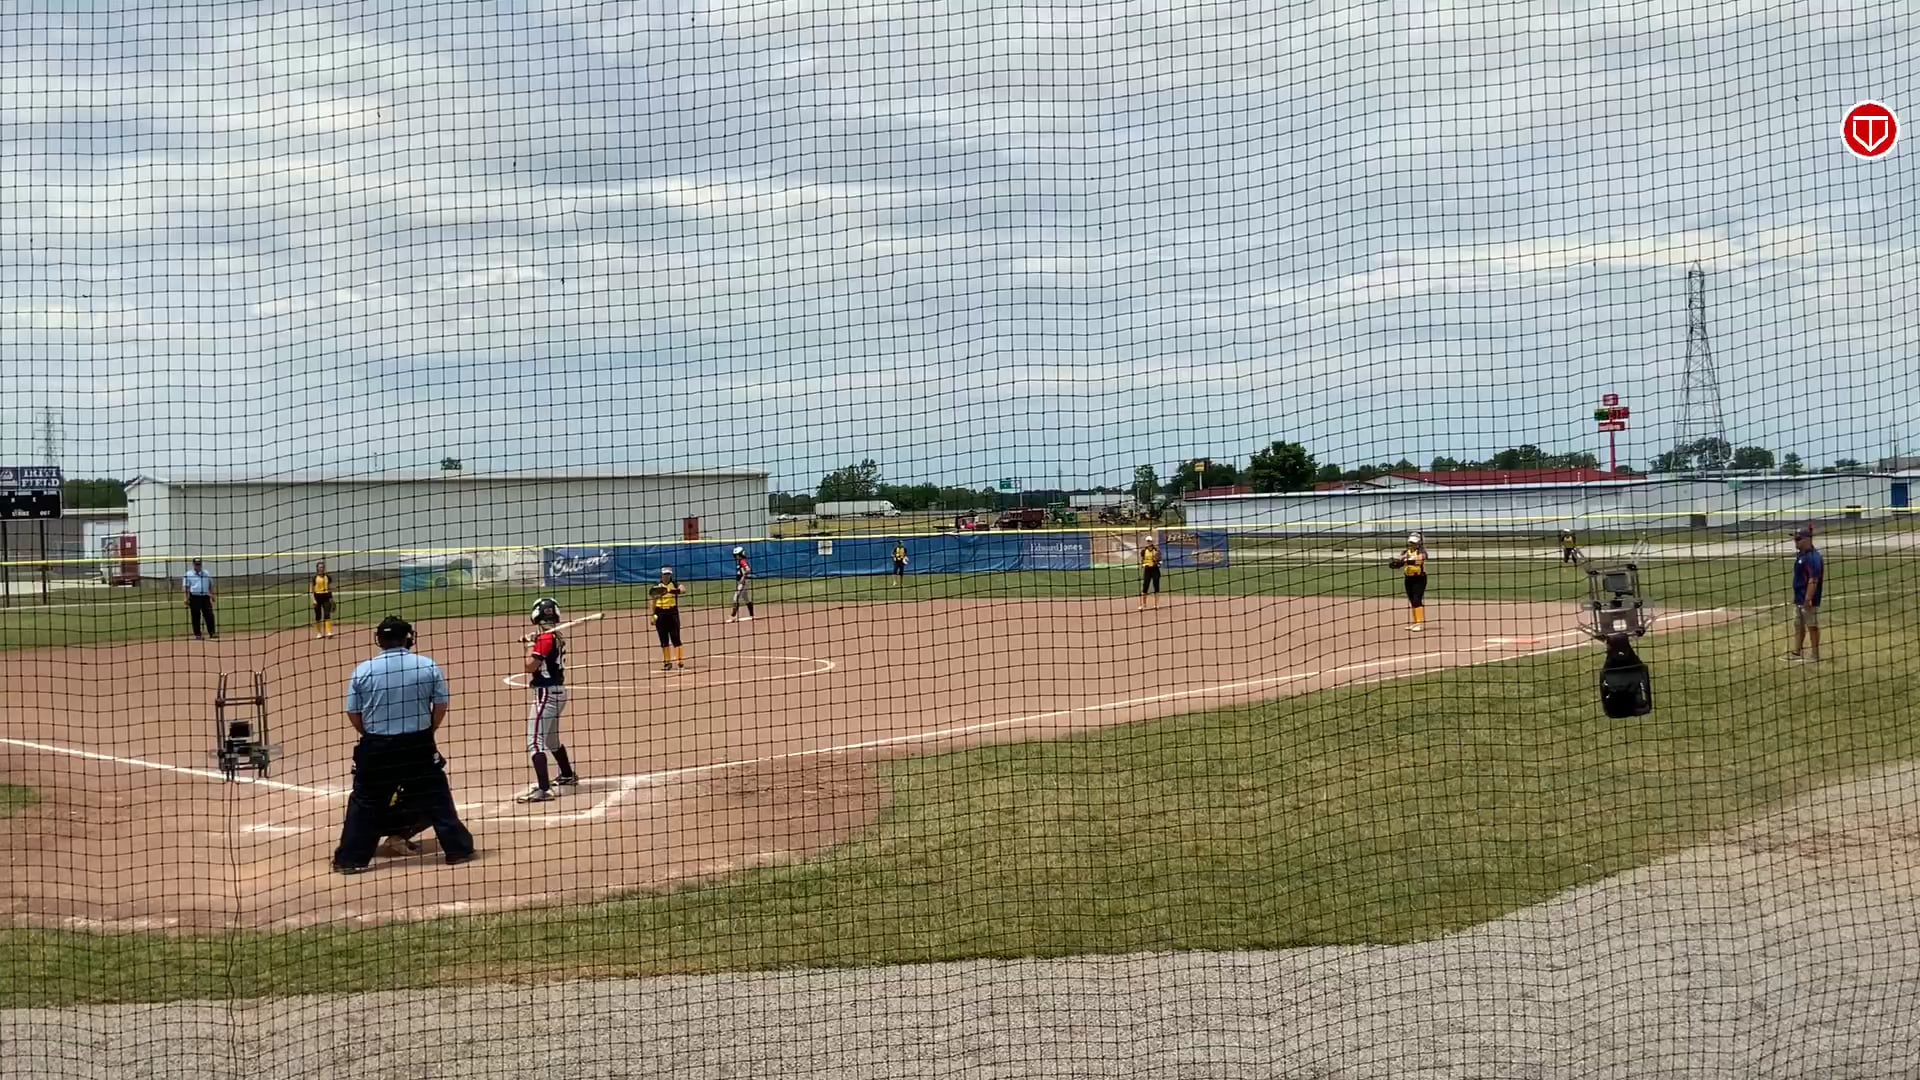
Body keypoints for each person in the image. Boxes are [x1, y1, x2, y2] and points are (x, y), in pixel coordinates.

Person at [331, 615, 476, 873]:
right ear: (408, 638)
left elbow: (353, 712)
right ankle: (458, 850)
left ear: (379, 640)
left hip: (377, 747)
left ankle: (351, 860)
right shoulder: (427, 665)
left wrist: (371, 735)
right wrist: (428, 732)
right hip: (417, 744)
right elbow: (440, 705)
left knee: (365, 802)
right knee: (436, 796)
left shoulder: (363, 670)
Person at [516, 597, 580, 803]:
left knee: (534, 742)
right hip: (557, 692)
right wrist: (534, 641)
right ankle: (567, 774)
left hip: (546, 694)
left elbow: (529, 666)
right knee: (551, 740)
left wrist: (529, 645)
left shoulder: (545, 638)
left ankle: (544, 789)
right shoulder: (555, 636)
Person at [1787, 525, 1824, 663]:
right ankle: (1797, 651)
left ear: (1808, 539)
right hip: (1799, 597)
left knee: (1812, 626)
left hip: (1808, 599)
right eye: (1795, 539)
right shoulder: (1801, 555)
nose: (1795, 542)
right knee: (1798, 624)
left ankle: (1815, 655)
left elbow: (1813, 579)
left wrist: (1808, 599)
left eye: (1798, 539)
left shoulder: (1813, 558)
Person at [1390, 532, 1429, 631]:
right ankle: (1415, 623)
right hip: (1408, 578)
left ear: (1420, 543)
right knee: (1412, 600)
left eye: (1414, 542)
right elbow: (1401, 561)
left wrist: (1406, 561)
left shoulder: (1422, 552)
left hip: (1419, 579)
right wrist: (1397, 564)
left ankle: (1419, 624)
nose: (1412, 544)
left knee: (1417, 599)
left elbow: (1419, 560)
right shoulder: (1406, 552)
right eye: (1411, 542)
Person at [650, 566, 687, 670]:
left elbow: (683, 590)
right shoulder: (656, 587)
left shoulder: (674, 584)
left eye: (668, 574)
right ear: (661, 575)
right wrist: (652, 615)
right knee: (663, 639)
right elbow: (652, 601)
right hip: (660, 613)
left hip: (672, 613)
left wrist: (669, 590)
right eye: (665, 574)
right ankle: (667, 663)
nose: (666, 576)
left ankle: (680, 662)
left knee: (676, 638)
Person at [182, 558, 217, 640]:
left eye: (199, 564)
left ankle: (212, 633)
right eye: (196, 564)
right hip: (194, 597)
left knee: (209, 615)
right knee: (196, 616)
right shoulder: (188, 574)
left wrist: (212, 595)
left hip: (205, 597)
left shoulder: (206, 573)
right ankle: (198, 634)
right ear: (193, 565)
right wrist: (185, 598)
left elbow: (211, 584)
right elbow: (185, 587)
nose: (198, 566)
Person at [728, 547, 755, 622]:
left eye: (737, 555)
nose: (735, 556)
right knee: (746, 598)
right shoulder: (740, 561)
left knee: (736, 597)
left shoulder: (742, 561)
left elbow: (748, 569)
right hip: (743, 581)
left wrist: (743, 577)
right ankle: (752, 615)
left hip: (743, 582)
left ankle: (733, 616)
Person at [310, 560, 336, 639]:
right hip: (317, 597)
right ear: (317, 568)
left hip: (326, 597)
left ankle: (329, 632)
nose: (321, 568)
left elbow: (330, 588)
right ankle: (319, 633)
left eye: (323, 567)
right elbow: (311, 590)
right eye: (320, 567)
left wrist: (332, 599)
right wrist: (313, 599)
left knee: (327, 614)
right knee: (318, 615)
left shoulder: (327, 577)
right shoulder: (314, 578)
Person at [1138, 538, 1161, 610]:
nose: (1149, 542)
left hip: (1155, 570)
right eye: (1147, 541)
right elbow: (1142, 560)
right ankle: (1143, 604)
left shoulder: (1156, 550)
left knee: (1156, 587)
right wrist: (1143, 564)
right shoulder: (1143, 551)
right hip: (1147, 570)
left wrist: (1156, 562)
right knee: (1145, 587)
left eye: (1150, 541)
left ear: (1152, 542)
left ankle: (1156, 605)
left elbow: (1160, 561)